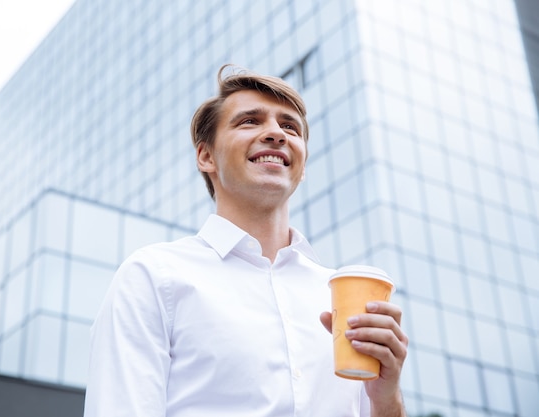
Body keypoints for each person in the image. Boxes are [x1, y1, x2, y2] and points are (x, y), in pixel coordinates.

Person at [83, 64, 409, 417]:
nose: (276, 134)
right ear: (206, 156)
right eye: (250, 121)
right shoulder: (154, 276)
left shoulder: (337, 296)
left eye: (289, 127)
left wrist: (385, 398)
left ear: (302, 164)